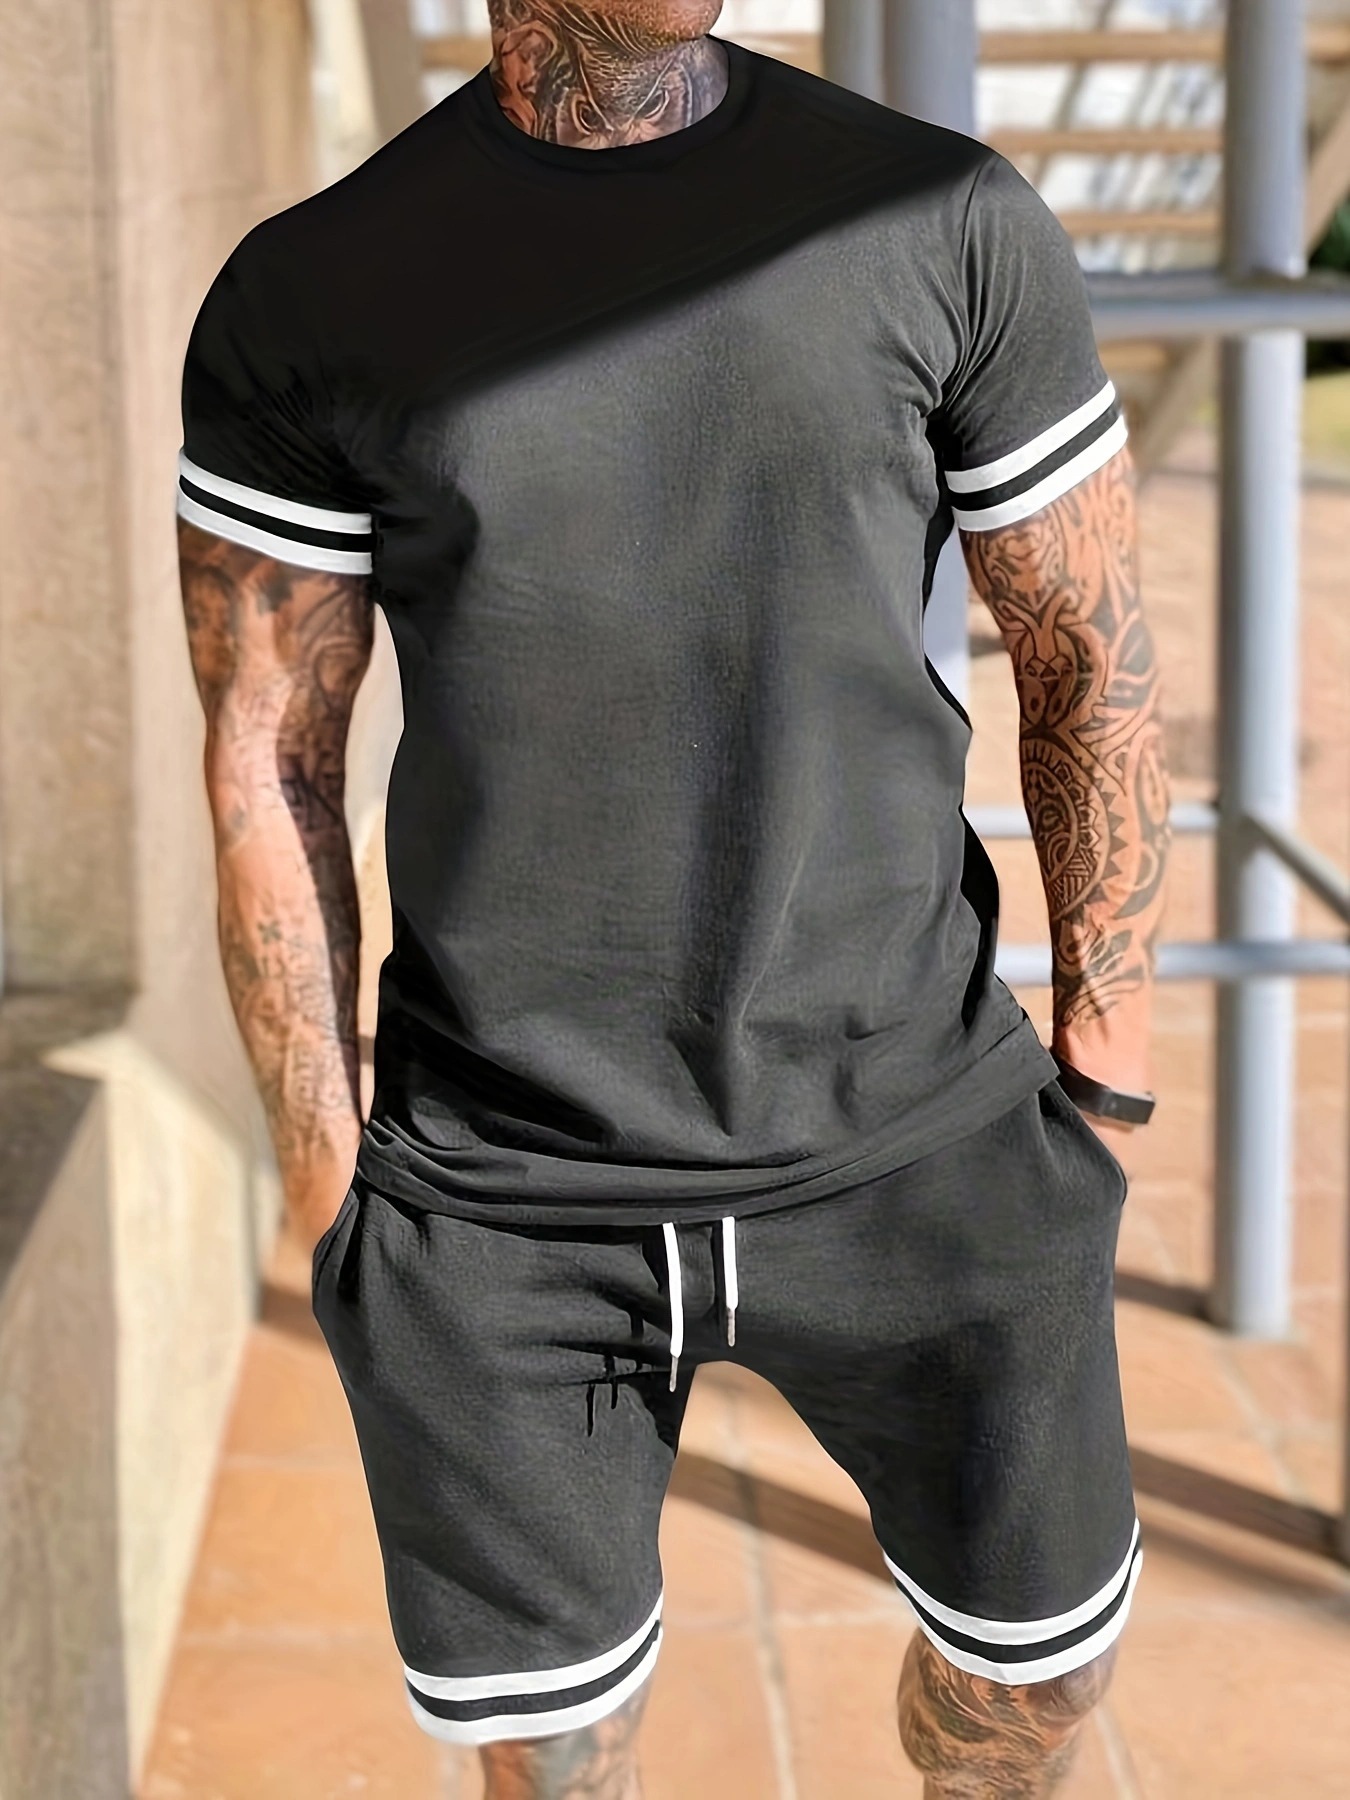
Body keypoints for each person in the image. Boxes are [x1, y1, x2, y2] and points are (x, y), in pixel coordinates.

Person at [176, 7, 1172, 1795]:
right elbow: (270, 756)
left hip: (913, 1133)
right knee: (551, 1762)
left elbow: (1082, 653)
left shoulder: (936, 218)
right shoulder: (311, 290)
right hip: (503, 1191)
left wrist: (1102, 1071)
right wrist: (333, 1195)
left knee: (1037, 1692)